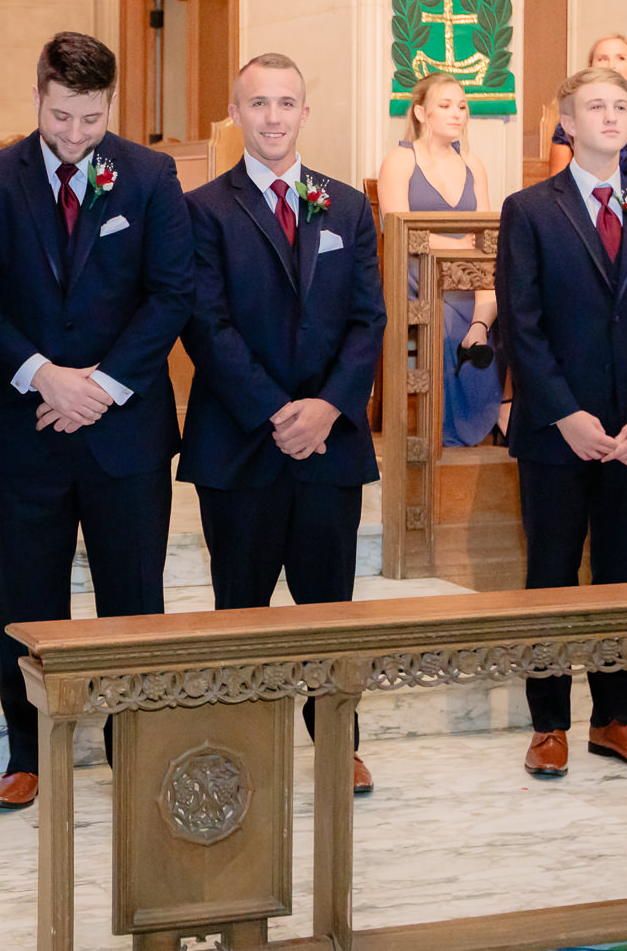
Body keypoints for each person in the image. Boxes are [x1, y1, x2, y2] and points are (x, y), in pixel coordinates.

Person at [0, 32, 194, 811]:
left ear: (110, 105)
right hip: (27, 421)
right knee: (28, 598)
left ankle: (134, 746)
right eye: (61, 115)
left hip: (123, 428)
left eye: (90, 119)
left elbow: (170, 293)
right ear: (38, 95)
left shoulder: (152, 175)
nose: (73, 134)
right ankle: (28, 752)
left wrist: (104, 384)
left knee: (134, 593)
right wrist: (43, 377)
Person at [179, 53, 387, 795]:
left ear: (306, 112)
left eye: (286, 102)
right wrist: (277, 411)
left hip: (330, 443)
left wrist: (329, 406)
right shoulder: (201, 208)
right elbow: (205, 323)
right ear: (235, 113)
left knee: (330, 607)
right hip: (241, 443)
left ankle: (338, 742)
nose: (272, 116)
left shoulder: (348, 207)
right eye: (258, 103)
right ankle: (241, 744)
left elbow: (370, 319)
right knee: (240, 606)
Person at [497, 66, 627, 778]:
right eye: (594, 107)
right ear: (568, 123)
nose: (611, 117)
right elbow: (522, 324)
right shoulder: (530, 209)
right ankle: (549, 721)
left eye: (621, 106)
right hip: (558, 429)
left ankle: (615, 716)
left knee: (622, 573)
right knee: (551, 570)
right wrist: (566, 413)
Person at [377, 74, 506, 447]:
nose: (457, 114)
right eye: (446, 106)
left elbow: (484, 227)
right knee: (444, 318)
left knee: (512, 298)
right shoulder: (400, 160)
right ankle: (454, 430)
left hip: (466, 267)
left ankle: (479, 330)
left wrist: (472, 250)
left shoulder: (473, 163)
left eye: (462, 106)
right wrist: (453, 245)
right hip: (417, 268)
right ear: (421, 112)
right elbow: (394, 227)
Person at [548, 34, 627, 194]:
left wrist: (621, 208)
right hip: (582, 211)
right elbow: (558, 181)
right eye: (602, 58)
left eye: (620, 58)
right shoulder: (573, 119)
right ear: (590, 67)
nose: (611, 66)